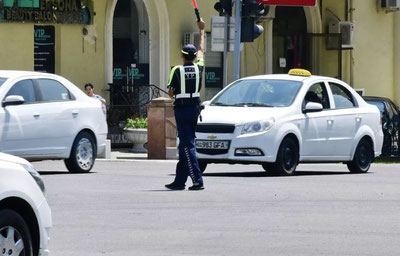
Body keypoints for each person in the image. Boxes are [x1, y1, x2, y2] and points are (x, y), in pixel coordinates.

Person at [165, 18, 206, 191]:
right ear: (194, 56)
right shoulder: (199, 67)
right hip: (195, 109)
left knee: (187, 143)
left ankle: (197, 180)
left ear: (182, 55)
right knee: (184, 144)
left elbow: (171, 92)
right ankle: (179, 181)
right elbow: (202, 50)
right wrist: (202, 30)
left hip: (182, 109)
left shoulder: (176, 69)